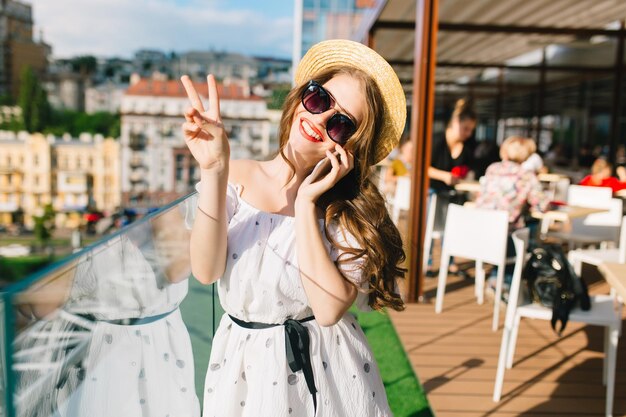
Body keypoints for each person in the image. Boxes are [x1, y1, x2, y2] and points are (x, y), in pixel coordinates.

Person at [181, 39, 406, 417]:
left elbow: (328, 308)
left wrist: (305, 204)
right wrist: (214, 169)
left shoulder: (344, 214)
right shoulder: (234, 175)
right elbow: (205, 271)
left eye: (340, 123)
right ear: (302, 96)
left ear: (351, 147)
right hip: (243, 369)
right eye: (320, 99)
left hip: (327, 369)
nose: (320, 119)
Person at [475, 137, 550, 295]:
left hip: (480, 231)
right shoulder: (526, 175)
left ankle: (497, 277)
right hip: (504, 235)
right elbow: (542, 205)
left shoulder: (492, 168)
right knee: (525, 229)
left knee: (511, 225)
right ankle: (506, 282)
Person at [426, 98, 477, 274]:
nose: (468, 133)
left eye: (471, 130)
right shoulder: (436, 141)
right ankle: (428, 261)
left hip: (453, 194)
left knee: (452, 227)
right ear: (456, 123)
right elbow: (421, 168)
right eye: (466, 128)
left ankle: (450, 261)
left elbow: (467, 171)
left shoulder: (467, 148)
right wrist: (444, 176)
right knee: (430, 228)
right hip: (431, 191)